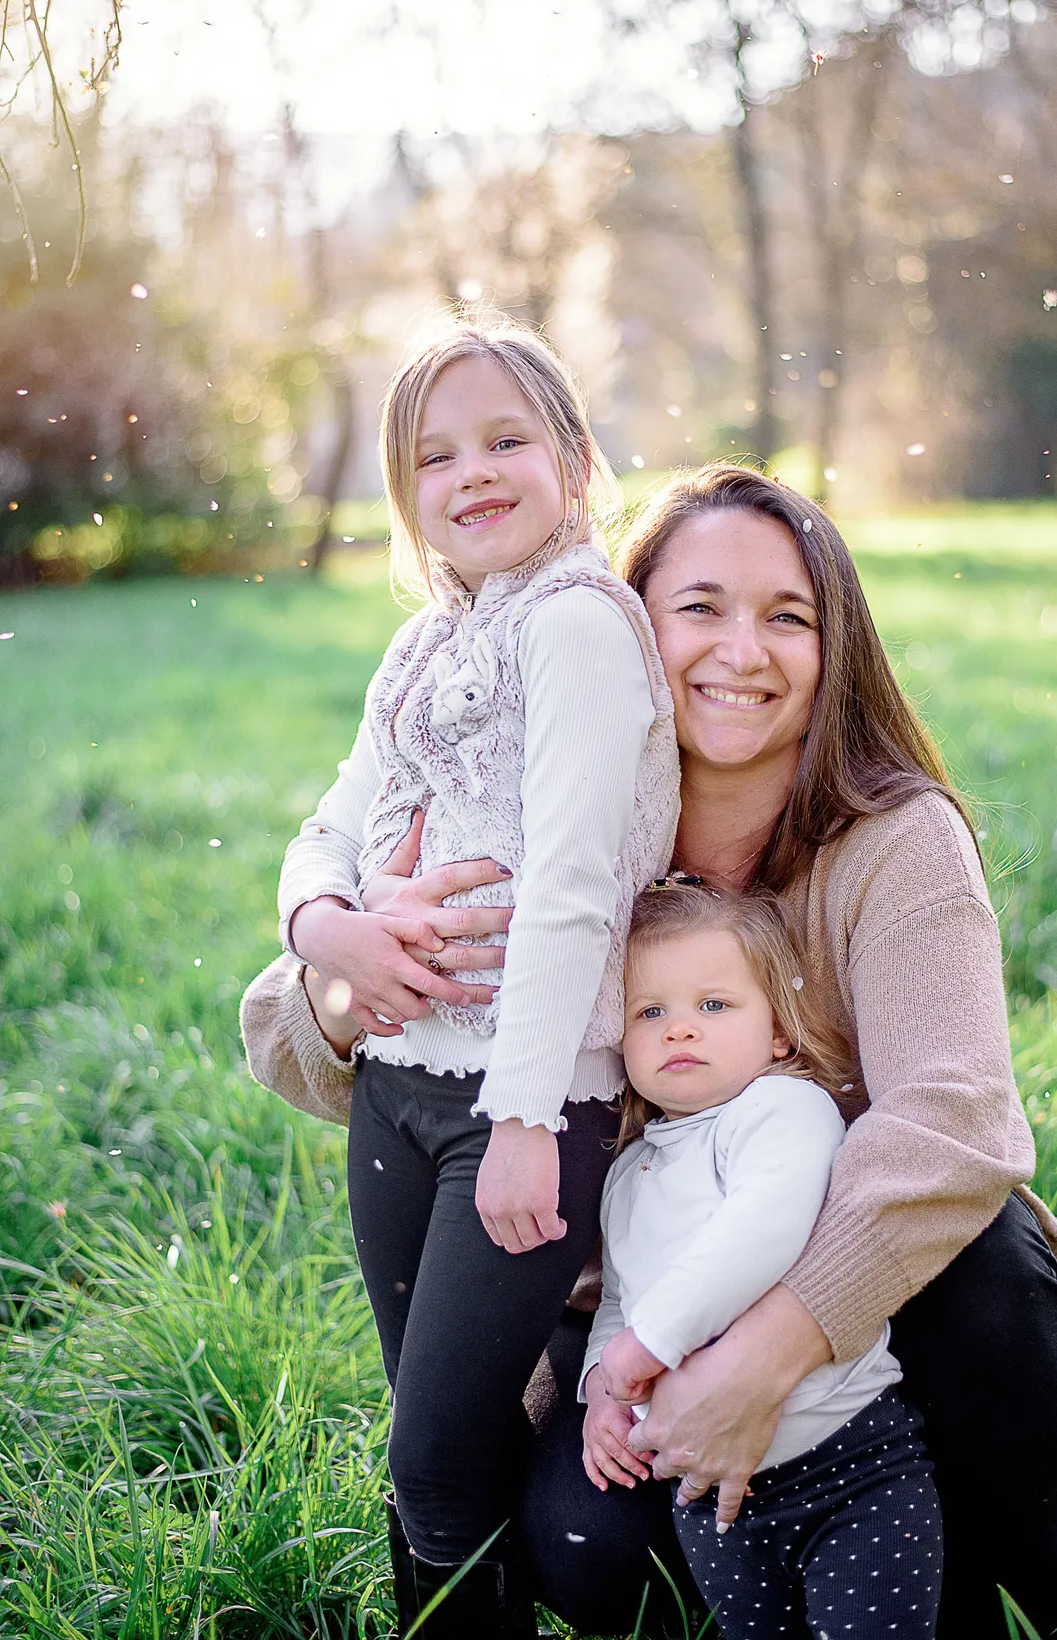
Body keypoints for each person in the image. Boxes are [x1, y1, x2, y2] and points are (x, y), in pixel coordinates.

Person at [242, 463, 1057, 1640]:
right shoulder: (559, 820)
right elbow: (288, 1032)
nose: (742, 649)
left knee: (989, 1263)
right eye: (697, 607)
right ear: (625, 623)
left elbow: (955, 1120)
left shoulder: (893, 841)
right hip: (635, 1313)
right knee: (582, 1559)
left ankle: (975, 1580)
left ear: (833, 647)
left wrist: (761, 1358)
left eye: (787, 616)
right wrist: (355, 977)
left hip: (874, 1306)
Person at [249, 318, 678, 1636]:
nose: (473, 473)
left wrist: (525, 1114)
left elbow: (568, 885)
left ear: (577, 461)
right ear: (406, 498)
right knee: (435, 1429)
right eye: (435, 455)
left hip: (523, 1105)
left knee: (438, 1455)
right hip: (396, 1086)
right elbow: (326, 820)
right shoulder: (425, 647)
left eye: (505, 439)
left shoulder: (581, 627)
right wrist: (331, 928)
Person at [585, 876, 942, 1640]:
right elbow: (620, 1299)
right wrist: (602, 1394)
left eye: (714, 1005)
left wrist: (651, 1343)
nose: (681, 1030)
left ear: (778, 1030)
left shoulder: (781, 1110)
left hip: (849, 1465)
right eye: (652, 1012)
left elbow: (764, 1226)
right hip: (709, 1491)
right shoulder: (627, 1175)